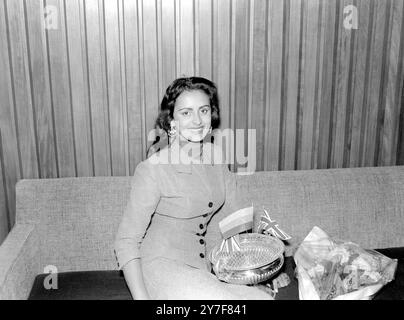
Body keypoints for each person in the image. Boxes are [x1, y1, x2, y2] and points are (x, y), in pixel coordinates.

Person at [114, 77, 272, 300]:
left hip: (202, 271)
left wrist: (261, 269)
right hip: (161, 267)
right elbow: (126, 241)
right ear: (171, 120)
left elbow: (238, 216)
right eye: (186, 113)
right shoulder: (152, 169)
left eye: (204, 110)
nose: (197, 120)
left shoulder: (216, 158)